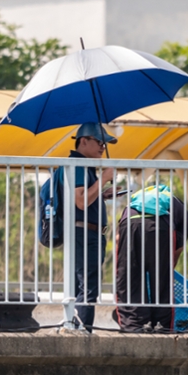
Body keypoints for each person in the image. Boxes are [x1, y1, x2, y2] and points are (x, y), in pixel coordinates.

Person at [115, 187, 188, 332]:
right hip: (160, 226)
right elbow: (177, 248)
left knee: (129, 278)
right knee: (162, 280)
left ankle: (133, 325)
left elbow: (118, 238)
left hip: (129, 224)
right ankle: (161, 325)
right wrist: (168, 266)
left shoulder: (136, 198)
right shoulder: (176, 205)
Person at [69, 122, 117, 331]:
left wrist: (102, 193)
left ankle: (76, 327)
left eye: (104, 144)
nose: (102, 147)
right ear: (83, 141)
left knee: (82, 285)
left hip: (87, 232)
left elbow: (83, 199)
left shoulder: (84, 166)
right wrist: (104, 179)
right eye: (99, 142)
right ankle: (82, 331)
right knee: (88, 287)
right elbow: (80, 201)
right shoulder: (78, 164)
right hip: (85, 234)